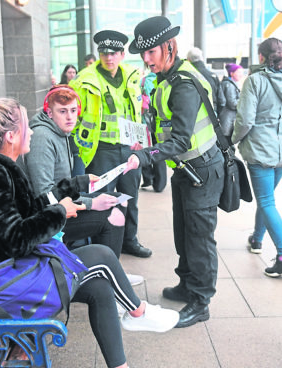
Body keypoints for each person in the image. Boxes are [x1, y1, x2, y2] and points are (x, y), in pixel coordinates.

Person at [0, 98, 179, 368]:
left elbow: (24, 214)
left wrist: (74, 186)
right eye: (27, 127)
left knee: (100, 289)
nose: (32, 131)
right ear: (11, 136)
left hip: (3, 271)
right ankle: (138, 313)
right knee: (101, 255)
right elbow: (13, 239)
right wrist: (59, 211)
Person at [125, 16, 225, 328]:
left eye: (151, 52)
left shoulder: (183, 83)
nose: (146, 59)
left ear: (169, 47)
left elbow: (181, 138)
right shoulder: (168, 78)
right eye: (143, 54)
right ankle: (186, 283)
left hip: (202, 170)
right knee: (184, 233)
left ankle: (200, 300)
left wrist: (144, 156)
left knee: (199, 237)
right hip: (186, 169)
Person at [24, 85, 144, 285]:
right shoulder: (42, 138)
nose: (70, 117)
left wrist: (87, 196)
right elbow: (43, 197)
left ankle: (112, 270)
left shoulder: (61, 133)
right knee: (112, 213)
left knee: (118, 201)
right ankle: (110, 280)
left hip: (62, 206)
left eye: (73, 110)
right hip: (45, 220)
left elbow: (61, 190)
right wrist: (90, 204)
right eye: (62, 111)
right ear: (49, 112)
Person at [70, 30, 152, 258]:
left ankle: (129, 241)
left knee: (131, 197)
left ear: (122, 54)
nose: (109, 57)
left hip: (128, 148)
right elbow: (74, 117)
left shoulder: (132, 76)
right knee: (102, 200)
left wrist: (140, 141)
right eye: (104, 53)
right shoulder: (85, 80)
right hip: (100, 150)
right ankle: (101, 247)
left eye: (114, 53)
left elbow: (136, 112)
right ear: (99, 54)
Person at [232, 37, 282, 275]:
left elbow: (245, 121)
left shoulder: (254, 81)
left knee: (266, 201)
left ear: (261, 57)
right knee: (268, 198)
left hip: (261, 150)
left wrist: (231, 141)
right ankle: (257, 239)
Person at [139, 71, 167, 192]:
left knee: (144, 150)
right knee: (158, 151)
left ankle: (148, 178)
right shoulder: (166, 81)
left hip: (145, 122)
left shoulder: (143, 81)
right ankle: (160, 184)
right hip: (159, 123)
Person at [187, 47, 226, 118]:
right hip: (211, 113)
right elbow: (222, 101)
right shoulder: (212, 76)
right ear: (202, 58)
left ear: (188, 60)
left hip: (191, 114)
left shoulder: (185, 76)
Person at [220, 63, 244, 136]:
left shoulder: (231, 84)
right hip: (227, 119)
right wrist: (245, 103)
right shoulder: (229, 85)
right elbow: (232, 103)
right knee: (227, 141)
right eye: (239, 72)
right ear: (232, 73)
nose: (241, 75)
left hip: (229, 119)